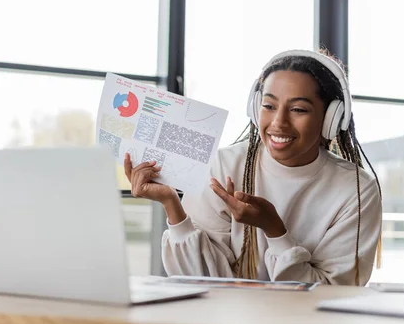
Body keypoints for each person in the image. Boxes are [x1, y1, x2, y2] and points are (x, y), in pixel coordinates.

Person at [124, 49, 382, 286]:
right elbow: (198, 281)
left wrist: (275, 231)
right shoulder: (223, 165)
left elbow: (332, 293)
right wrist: (172, 204)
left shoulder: (356, 189)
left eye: (298, 109)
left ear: (330, 119)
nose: (279, 122)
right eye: (269, 106)